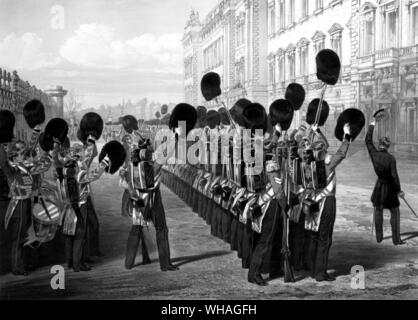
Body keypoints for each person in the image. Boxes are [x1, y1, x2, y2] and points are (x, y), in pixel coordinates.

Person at [366, 116, 405, 245]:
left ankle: (379, 237)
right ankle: (396, 239)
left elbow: (367, 141)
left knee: (378, 210)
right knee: (395, 212)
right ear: (388, 146)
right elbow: (394, 176)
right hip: (390, 188)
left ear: (379, 144)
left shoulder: (374, 154)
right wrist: (399, 190)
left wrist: (372, 125)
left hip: (379, 186)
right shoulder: (391, 158)